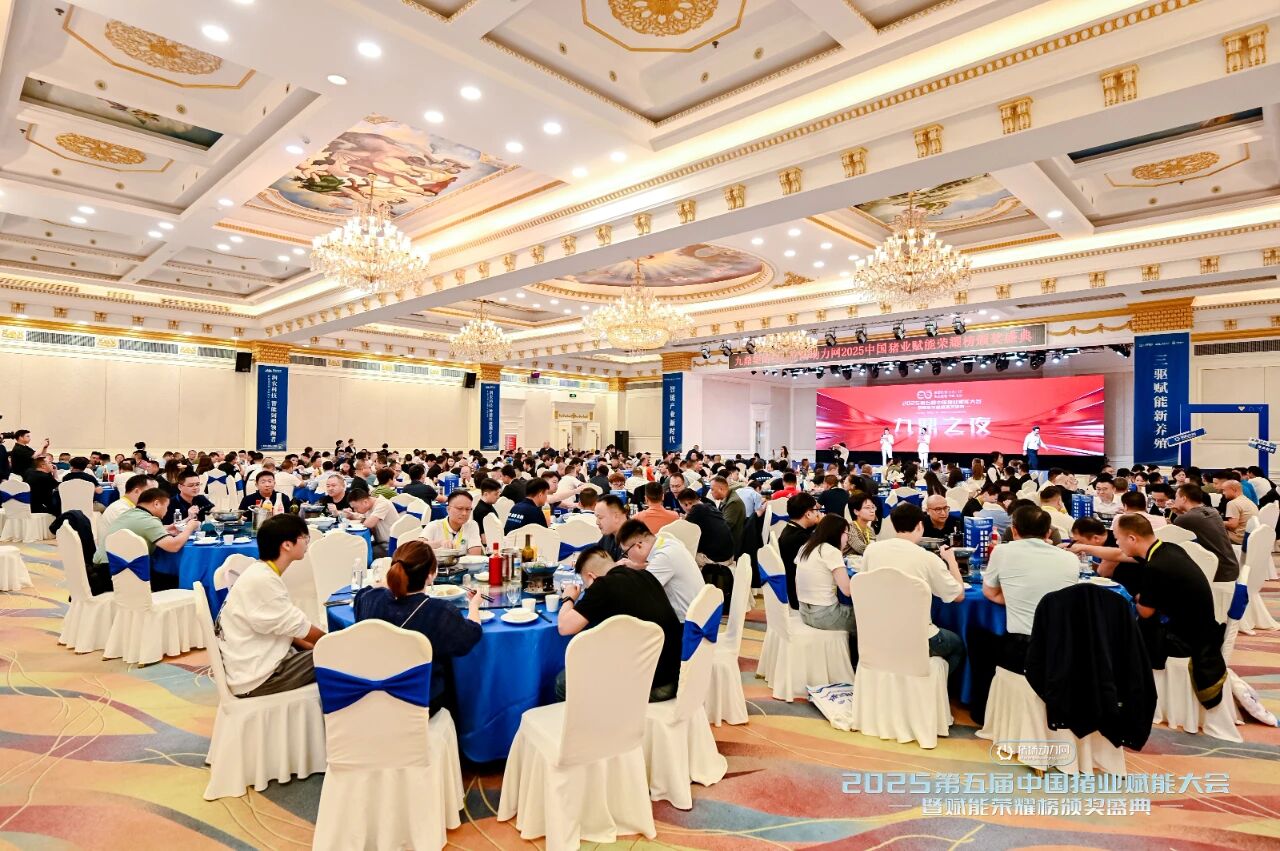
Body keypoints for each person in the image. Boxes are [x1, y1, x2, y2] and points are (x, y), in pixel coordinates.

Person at [353, 540, 483, 713]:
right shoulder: (439, 612)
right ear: (431, 575)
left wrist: (390, 579)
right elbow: (471, 635)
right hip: (420, 701)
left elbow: (367, 591)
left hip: (371, 696)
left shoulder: (369, 600)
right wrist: (474, 606)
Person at [1115, 514, 1227, 707]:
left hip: (1186, 640)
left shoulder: (1155, 567)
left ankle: (1128, 694)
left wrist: (1137, 599)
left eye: (1118, 539)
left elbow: (1145, 613)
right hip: (1203, 628)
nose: (1117, 544)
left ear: (1132, 538)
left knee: (1120, 630)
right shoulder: (1169, 549)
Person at [554, 546, 682, 702]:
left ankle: (593, 717)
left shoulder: (603, 585)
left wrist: (568, 598)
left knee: (564, 682)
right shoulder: (647, 576)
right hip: (675, 677)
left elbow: (564, 627)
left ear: (591, 577)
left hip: (650, 686)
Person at [217, 514, 325, 697]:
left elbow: (285, 626)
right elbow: (298, 626)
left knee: (329, 650)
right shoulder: (264, 581)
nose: (307, 542)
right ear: (287, 545)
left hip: (251, 664)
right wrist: (332, 643)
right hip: (260, 677)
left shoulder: (258, 572)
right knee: (341, 656)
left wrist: (316, 644)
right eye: (304, 537)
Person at [861, 503, 965, 676]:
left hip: (877, 633)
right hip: (917, 638)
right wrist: (952, 561)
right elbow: (959, 595)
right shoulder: (927, 558)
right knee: (957, 646)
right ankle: (934, 688)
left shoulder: (872, 550)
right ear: (920, 525)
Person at [93, 487, 199, 577]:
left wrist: (165, 529)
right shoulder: (149, 520)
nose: (166, 511)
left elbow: (141, 529)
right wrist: (189, 528)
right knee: (172, 578)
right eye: (166, 507)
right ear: (156, 504)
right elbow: (173, 546)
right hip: (121, 571)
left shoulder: (130, 513)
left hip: (103, 567)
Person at [615, 519, 704, 622]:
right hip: (700, 616)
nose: (627, 557)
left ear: (639, 545)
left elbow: (638, 592)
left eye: (626, 553)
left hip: (686, 624)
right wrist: (638, 566)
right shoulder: (667, 542)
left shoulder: (664, 556)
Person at [795, 514, 856, 659]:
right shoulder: (831, 551)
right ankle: (856, 661)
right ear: (837, 533)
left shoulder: (806, 547)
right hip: (826, 616)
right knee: (867, 617)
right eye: (846, 534)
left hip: (804, 612)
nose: (847, 539)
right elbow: (847, 590)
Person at [1169, 484, 1239, 581]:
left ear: (1184, 499)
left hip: (1217, 571)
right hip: (1230, 567)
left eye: (1176, 497)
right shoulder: (1212, 511)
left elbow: (1172, 540)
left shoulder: (1187, 519)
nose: (1175, 500)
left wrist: (1176, 518)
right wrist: (1179, 513)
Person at [777, 492, 821, 611]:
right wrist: (823, 525)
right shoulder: (799, 538)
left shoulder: (791, 529)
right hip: (801, 595)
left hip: (796, 587)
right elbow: (822, 552)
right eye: (816, 510)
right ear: (808, 514)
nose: (818, 513)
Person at [676, 488, 735, 567]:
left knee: (682, 556)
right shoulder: (710, 506)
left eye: (688, 504)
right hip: (729, 555)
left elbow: (682, 534)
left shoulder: (696, 510)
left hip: (718, 561)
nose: (687, 507)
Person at [423, 490, 483, 554]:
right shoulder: (434, 525)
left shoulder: (471, 525)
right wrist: (439, 543)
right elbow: (417, 546)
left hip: (463, 560)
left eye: (468, 509)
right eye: (460, 508)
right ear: (448, 509)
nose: (464, 513)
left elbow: (475, 555)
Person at [346, 489, 397, 558]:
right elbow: (362, 518)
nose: (355, 510)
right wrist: (351, 516)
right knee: (358, 548)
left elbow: (368, 524)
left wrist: (362, 520)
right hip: (380, 542)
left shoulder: (383, 504)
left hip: (391, 545)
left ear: (365, 502)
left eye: (356, 508)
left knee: (361, 553)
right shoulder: (369, 506)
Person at [709, 475, 747, 558]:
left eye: (712, 489)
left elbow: (725, 527)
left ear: (721, 489)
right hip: (727, 541)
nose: (711, 492)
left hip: (730, 547)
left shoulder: (733, 503)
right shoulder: (729, 497)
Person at [1220, 479, 1257, 546]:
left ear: (1234, 489)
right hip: (1250, 537)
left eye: (1224, 490)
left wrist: (1216, 521)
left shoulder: (1233, 503)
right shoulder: (1249, 501)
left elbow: (1233, 524)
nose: (1223, 493)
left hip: (1238, 538)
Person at [593, 494, 628, 561]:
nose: (597, 522)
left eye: (600, 517)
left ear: (616, 516)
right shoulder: (609, 535)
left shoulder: (635, 539)